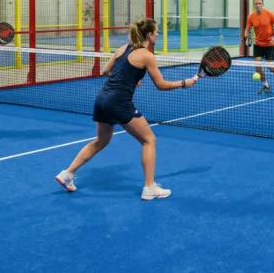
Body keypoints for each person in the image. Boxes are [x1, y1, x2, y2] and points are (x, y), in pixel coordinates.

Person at [55, 18, 196, 200]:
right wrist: (184, 83)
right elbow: (161, 85)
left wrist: (129, 77)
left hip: (102, 99)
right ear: (150, 35)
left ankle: (67, 174)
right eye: (157, 32)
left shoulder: (123, 48)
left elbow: (106, 70)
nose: (158, 34)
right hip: (118, 103)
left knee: (101, 141)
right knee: (149, 140)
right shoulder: (147, 56)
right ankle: (149, 187)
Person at [244, 0, 274, 94]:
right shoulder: (251, 17)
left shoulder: (269, 14)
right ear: (254, 5)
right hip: (258, 44)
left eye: (259, 3)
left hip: (269, 44)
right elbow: (247, 29)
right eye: (256, 4)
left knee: (270, 67)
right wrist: (247, 37)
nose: (258, 5)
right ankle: (266, 86)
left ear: (263, 5)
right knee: (257, 65)